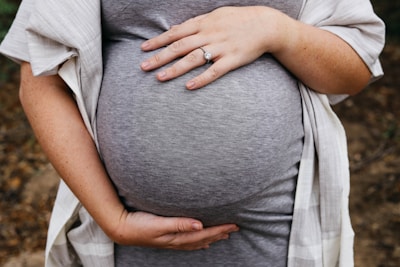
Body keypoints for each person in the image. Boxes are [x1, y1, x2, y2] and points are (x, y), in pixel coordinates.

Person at [0, 0, 385, 266]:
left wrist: (279, 31)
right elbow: (40, 77)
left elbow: (354, 70)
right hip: (124, 235)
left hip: (276, 232)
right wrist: (112, 218)